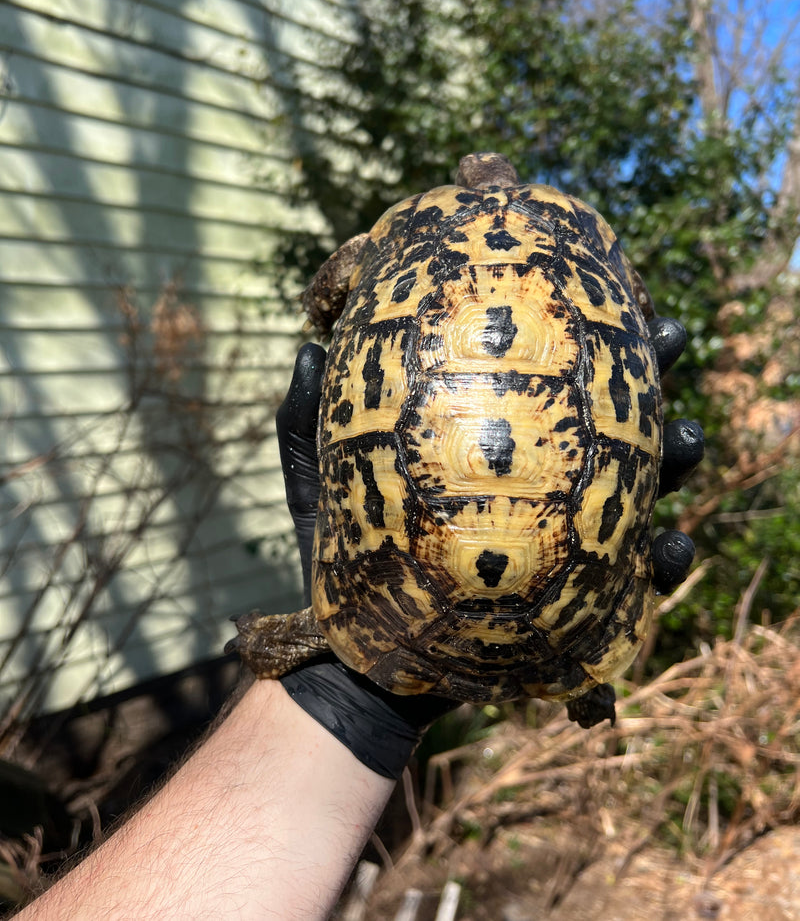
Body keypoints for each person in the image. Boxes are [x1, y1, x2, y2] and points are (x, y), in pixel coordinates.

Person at [18, 326, 702, 921]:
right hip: (564, 609)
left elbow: (335, 290)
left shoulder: (410, 239)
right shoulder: (588, 250)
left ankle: (539, 670)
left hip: (396, 594)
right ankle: (575, 672)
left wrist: (346, 656)